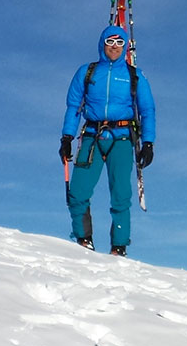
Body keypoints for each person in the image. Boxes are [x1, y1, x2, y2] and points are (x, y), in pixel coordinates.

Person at [60, 25, 156, 256]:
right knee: (78, 192)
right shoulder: (87, 72)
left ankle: (119, 247)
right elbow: (74, 107)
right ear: (102, 43)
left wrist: (149, 142)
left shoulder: (134, 75)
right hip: (92, 137)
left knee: (121, 194)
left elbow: (147, 109)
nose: (114, 47)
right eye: (110, 42)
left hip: (122, 139)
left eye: (119, 43)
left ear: (125, 46)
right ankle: (84, 240)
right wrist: (66, 137)